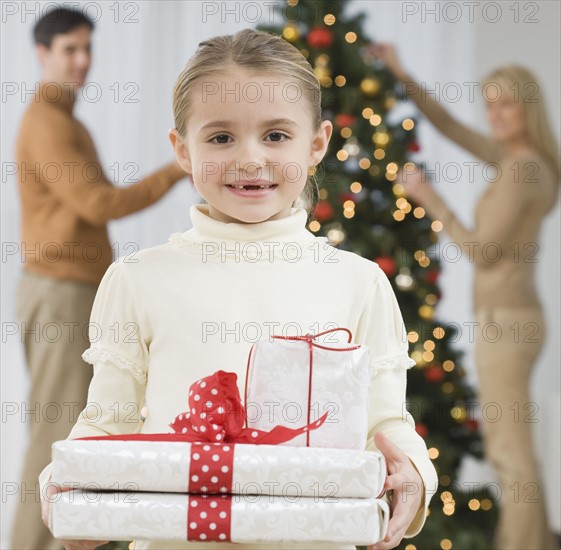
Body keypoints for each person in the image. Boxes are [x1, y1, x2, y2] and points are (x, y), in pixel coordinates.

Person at [38, 29, 438, 550]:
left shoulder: (359, 282)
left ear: (316, 144)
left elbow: (386, 423)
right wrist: (66, 490)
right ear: (182, 150)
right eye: (221, 138)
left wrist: (412, 475)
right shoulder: (138, 279)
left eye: (276, 136)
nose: (250, 159)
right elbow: (107, 424)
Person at [371, 43, 560, 550]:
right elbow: (453, 128)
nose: (495, 115)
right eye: (490, 103)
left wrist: (430, 198)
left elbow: (482, 250)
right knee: (512, 451)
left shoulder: (523, 171)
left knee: (509, 455)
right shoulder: (524, 159)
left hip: (506, 322)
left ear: (529, 108)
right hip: (512, 317)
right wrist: (402, 74)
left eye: (507, 104)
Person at [12, 8, 185, 549]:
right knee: (56, 438)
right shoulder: (47, 122)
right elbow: (97, 202)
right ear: (42, 54)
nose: (82, 61)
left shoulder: (66, 120)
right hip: (60, 293)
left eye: (87, 48)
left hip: (75, 290)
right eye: (69, 49)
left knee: (86, 432)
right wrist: (180, 166)